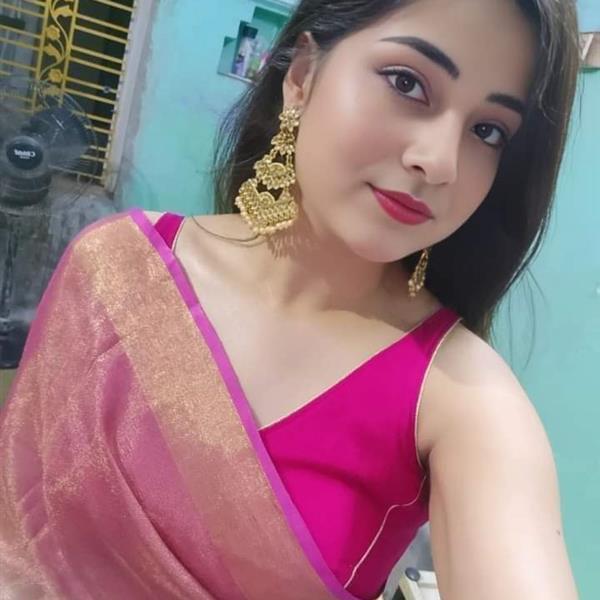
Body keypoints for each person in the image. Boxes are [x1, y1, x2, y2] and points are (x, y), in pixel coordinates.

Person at [0, 0, 582, 598]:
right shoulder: (116, 269)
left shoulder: (461, 398)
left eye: (488, 131)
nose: (439, 162)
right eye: (407, 83)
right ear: (302, 77)